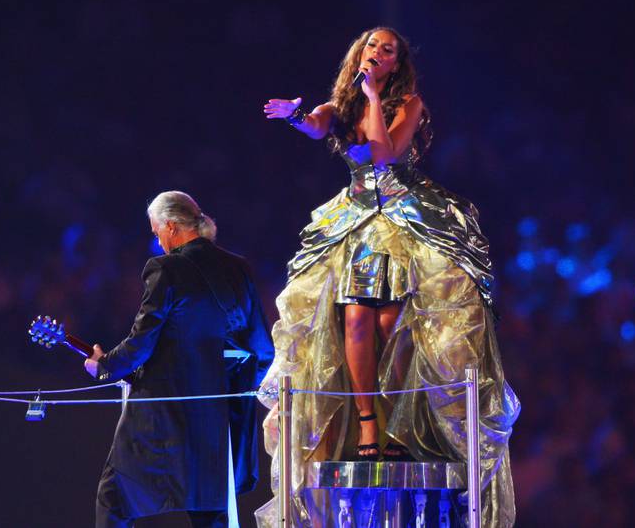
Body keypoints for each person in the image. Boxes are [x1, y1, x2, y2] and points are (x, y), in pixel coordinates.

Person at [257, 28, 520, 527]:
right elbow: (317, 126)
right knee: (354, 323)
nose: (377, 54)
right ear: (359, 52)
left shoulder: (409, 102)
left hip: (402, 218)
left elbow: (384, 154)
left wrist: (375, 96)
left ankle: (399, 426)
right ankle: (367, 430)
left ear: (396, 64)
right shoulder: (341, 102)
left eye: (388, 51)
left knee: (387, 330)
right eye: (372, 46)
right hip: (355, 222)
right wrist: (294, 114)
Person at [84, 191, 274, 528]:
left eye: (156, 232)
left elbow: (142, 343)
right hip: (218, 425)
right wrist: (236, 396)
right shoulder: (238, 268)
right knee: (210, 511)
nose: (156, 241)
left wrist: (105, 365)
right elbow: (262, 350)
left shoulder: (165, 269)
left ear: (171, 227)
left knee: (113, 498)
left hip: (162, 421)